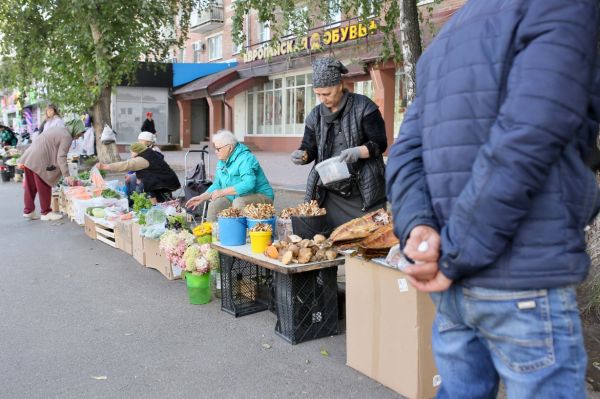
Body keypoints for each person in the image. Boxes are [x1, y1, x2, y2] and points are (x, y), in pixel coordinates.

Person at [385, 1, 600, 398]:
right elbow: (528, 137)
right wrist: (450, 250)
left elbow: (404, 153)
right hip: (519, 277)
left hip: (456, 281)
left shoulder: (446, 37)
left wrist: (419, 230)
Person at [290, 57, 388, 230]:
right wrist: (302, 155)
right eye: (318, 94)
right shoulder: (315, 115)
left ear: (340, 85)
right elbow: (310, 147)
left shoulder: (364, 106)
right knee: (333, 236)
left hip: (363, 188)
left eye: (326, 94)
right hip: (329, 191)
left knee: (366, 235)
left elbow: (380, 143)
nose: (322, 99)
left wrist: (359, 151)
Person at [186, 130, 274, 221]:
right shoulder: (222, 161)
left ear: (230, 148)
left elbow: (249, 183)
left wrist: (222, 192)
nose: (216, 151)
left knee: (239, 202)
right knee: (214, 204)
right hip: (237, 197)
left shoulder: (246, 158)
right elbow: (217, 184)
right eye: (215, 148)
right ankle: (211, 232)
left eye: (218, 149)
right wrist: (202, 197)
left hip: (261, 196)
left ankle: (244, 233)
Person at [18, 119, 86, 221]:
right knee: (45, 184)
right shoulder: (67, 136)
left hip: (29, 156)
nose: (79, 137)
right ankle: (46, 212)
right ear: (75, 129)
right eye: (79, 134)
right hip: (40, 159)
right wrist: (67, 175)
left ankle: (28, 211)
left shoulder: (59, 129)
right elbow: (61, 156)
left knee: (30, 186)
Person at [97, 142, 180, 204]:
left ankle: (155, 207)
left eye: (132, 152)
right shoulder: (148, 153)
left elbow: (126, 165)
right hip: (165, 179)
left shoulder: (143, 159)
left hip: (165, 183)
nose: (131, 154)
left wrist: (105, 166)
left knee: (144, 184)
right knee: (133, 179)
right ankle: (131, 202)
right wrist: (136, 176)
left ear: (137, 151)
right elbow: (149, 170)